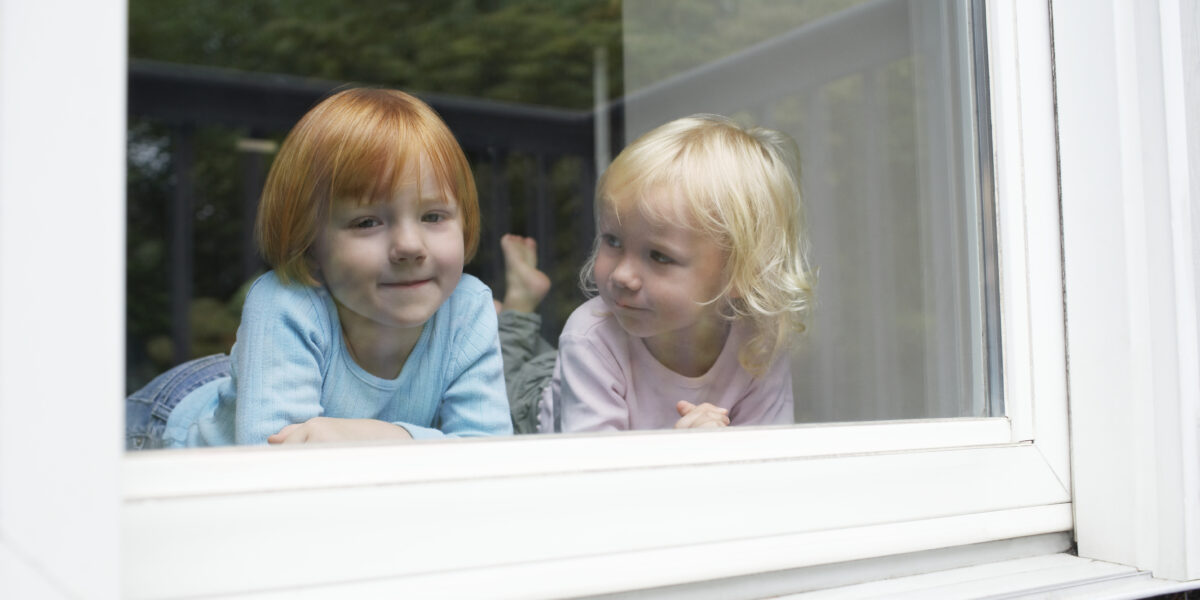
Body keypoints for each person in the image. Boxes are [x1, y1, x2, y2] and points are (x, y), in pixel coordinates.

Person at [126, 88, 512, 450]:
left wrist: (383, 437)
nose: (410, 246)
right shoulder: (286, 304)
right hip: (165, 423)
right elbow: (275, 461)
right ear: (310, 246)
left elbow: (490, 452)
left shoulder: (467, 304)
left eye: (433, 215)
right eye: (367, 222)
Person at [498, 114, 814, 434]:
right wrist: (680, 453)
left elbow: (766, 454)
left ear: (740, 275)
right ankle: (517, 307)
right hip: (538, 407)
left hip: (583, 375)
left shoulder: (758, 344)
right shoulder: (590, 337)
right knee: (506, 375)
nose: (622, 275)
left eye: (660, 256)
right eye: (613, 241)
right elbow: (596, 472)